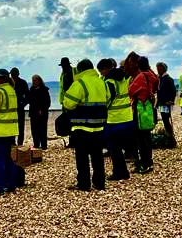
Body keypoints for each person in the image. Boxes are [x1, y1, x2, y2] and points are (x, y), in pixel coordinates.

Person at [61, 59, 109, 191]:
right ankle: (99, 183)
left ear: (80, 70)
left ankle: (84, 184)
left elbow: (68, 103)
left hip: (82, 127)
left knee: (82, 158)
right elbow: (108, 99)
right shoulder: (101, 82)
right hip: (99, 126)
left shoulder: (80, 83)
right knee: (97, 156)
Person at [99, 59, 132, 181]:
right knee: (119, 146)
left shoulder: (110, 81)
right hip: (126, 117)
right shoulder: (123, 79)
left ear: (106, 69)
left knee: (114, 147)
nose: (101, 73)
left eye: (101, 71)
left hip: (114, 119)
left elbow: (108, 99)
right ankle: (123, 171)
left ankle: (119, 172)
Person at [127, 53, 159, 174]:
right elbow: (156, 84)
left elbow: (131, 91)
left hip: (140, 108)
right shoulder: (151, 75)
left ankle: (144, 163)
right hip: (149, 106)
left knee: (140, 137)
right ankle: (149, 161)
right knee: (147, 136)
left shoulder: (140, 77)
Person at [156, 62, 177, 148]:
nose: (158, 69)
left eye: (159, 68)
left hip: (166, 103)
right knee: (165, 121)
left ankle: (171, 139)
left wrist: (171, 100)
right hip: (161, 103)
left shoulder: (168, 79)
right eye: (157, 68)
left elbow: (173, 91)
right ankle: (169, 139)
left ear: (164, 69)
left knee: (166, 121)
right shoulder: (160, 79)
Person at [29, 74, 51, 149]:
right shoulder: (31, 89)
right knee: (34, 130)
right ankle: (36, 144)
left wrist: (42, 110)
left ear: (39, 81)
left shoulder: (44, 90)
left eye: (35, 80)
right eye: (33, 81)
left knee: (42, 129)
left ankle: (44, 145)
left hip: (42, 113)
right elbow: (30, 100)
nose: (34, 82)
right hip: (33, 113)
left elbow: (48, 103)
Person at [10, 67, 30, 146]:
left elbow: (28, 96)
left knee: (20, 128)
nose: (13, 76)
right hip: (11, 109)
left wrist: (22, 104)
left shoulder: (23, 82)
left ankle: (20, 144)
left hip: (20, 109)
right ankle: (12, 144)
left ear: (18, 75)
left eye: (14, 75)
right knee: (11, 127)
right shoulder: (9, 83)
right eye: (12, 75)